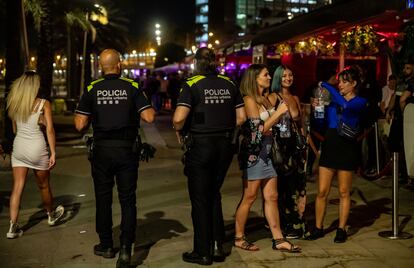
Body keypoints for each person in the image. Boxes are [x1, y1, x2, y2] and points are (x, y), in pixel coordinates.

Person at [74, 49, 155, 268]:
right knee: (128, 199)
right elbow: (149, 116)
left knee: (103, 198)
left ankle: (107, 245)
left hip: (102, 150)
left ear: (101, 66)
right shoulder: (132, 87)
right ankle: (126, 250)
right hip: (126, 150)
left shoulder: (92, 89)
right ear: (119, 65)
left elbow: (80, 125)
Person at [173, 47, 246, 265]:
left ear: (196, 63)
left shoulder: (192, 84)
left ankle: (202, 251)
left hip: (201, 145)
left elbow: (178, 118)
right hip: (224, 145)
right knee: (214, 193)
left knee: (200, 198)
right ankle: (217, 245)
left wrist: (179, 130)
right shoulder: (230, 82)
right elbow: (241, 118)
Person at [234, 64, 301, 253]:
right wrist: (279, 113)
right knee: (250, 196)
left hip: (270, 152)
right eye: (265, 75)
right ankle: (239, 237)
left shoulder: (264, 99)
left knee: (272, 196)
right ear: (254, 78)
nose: (270, 77)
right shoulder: (248, 100)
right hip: (254, 153)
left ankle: (278, 239)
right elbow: (257, 132)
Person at [307, 67, 367, 243]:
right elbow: (321, 123)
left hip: (347, 147)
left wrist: (326, 84)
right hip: (331, 143)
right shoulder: (333, 103)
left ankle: (341, 229)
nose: (340, 84)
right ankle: (318, 228)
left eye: (344, 81)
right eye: (339, 81)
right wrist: (317, 111)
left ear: (354, 84)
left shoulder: (359, 101)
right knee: (322, 191)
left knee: (343, 191)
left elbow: (346, 105)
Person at [6, 71, 64, 239]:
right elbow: (50, 130)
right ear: (34, 86)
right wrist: (53, 152)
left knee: (17, 187)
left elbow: (15, 130)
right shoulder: (43, 104)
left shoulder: (14, 103)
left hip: (19, 148)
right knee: (44, 185)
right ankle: (51, 215)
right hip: (37, 148)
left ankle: (12, 227)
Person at [270, 65, 308, 239]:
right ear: (278, 77)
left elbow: (300, 125)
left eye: (290, 74)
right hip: (280, 147)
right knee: (282, 187)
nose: (288, 78)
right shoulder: (273, 97)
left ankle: (296, 221)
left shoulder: (295, 97)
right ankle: (284, 224)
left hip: (295, 147)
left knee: (297, 185)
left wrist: (306, 145)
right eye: (284, 75)